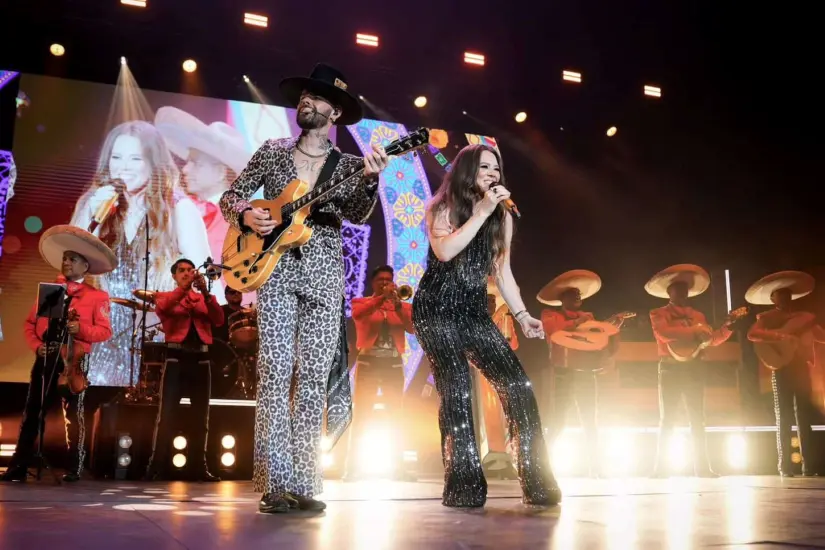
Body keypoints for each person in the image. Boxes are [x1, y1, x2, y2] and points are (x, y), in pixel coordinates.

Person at [219, 63, 389, 513]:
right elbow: (231, 196)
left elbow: (357, 213)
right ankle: (276, 481)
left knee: (313, 379)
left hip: (324, 276)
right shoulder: (273, 151)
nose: (305, 103)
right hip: (273, 271)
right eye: (303, 97)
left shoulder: (349, 166)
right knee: (276, 373)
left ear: (334, 113)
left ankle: (304, 481)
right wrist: (244, 215)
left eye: (315, 99)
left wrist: (372, 178)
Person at [412, 144, 561, 508]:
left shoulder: (502, 217)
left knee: (517, 385)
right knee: (457, 389)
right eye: (484, 168)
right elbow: (446, 251)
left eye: (496, 168)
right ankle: (464, 486)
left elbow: (503, 272)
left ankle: (536, 481)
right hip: (436, 308)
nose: (492, 174)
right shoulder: (442, 207)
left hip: (476, 311)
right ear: (466, 172)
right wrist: (480, 212)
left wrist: (523, 315)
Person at [70, 120, 211, 387]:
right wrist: (94, 215)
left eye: (135, 158)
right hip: (103, 338)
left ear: (153, 163)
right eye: (116, 157)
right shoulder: (95, 202)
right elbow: (72, 266)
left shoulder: (179, 209)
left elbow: (203, 283)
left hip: (156, 339)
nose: (123, 166)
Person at [1, 225, 116, 482]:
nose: (66, 262)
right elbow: (31, 325)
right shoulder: (52, 291)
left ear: (85, 266)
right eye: (65, 258)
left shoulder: (96, 296)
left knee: (74, 414)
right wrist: (36, 346)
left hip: (74, 359)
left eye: (72, 259)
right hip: (47, 356)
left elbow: (105, 331)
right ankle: (18, 466)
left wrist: (81, 328)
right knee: (33, 411)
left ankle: (75, 467)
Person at [155, 107, 254, 303]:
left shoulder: (244, 220)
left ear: (219, 173)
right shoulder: (177, 207)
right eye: (187, 162)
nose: (185, 169)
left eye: (196, 163)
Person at [647, 264, 735, 477]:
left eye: (685, 290)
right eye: (678, 290)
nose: (683, 293)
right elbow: (664, 333)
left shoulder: (698, 315)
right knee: (667, 419)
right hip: (670, 368)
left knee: (697, 418)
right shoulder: (658, 313)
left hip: (694, 368)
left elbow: (710, 339)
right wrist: (695, 331)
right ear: (669, 293)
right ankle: (661, 469)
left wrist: (728, 327)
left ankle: (703, 469)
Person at [539, 270, 627, 477]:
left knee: (590, 420)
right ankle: (542, 467)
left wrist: (611, 326)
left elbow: (597, 338)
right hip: (564, 372)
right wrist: (585, 324)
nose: (578, 297)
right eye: (572, 294)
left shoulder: (588, 317)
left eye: (579, 294)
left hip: (587, 372)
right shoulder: (550, 315)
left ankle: (595, 468)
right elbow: (555, 332)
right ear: (562, 299)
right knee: (558, 421)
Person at [145, 258, 224, 482]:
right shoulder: (166, 297)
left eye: (190, 270)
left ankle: (198, 467)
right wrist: (184, 289)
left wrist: (206, 294)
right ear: (174, 276)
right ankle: (157, 466)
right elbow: (165, 308)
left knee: (201, 417)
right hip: (176, 358)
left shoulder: (203, 299)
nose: (187, 273)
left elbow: (218, 320)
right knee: (167, 415)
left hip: (201, 358)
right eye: (182, 271)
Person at [746, 271, 824, 476]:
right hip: (782, 369)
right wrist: (780, 335)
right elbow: (752, 334)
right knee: (785, 416)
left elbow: (820, 336)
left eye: (787, 295)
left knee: (804, 416)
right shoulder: (767, 317)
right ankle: (785, 466)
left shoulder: (803, 318)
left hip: (801, 368)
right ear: (773, 299)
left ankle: (809, 465)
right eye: (780, 295)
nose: (784, 299)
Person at [346, 265, 415, 480]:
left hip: (392, 365)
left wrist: (398, 305)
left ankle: (399, 468)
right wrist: (380, 298)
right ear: (373, 283)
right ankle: (353, 468)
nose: (385, 283)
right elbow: (358, 314)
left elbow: (412, 328)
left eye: (389, 279)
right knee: (362, 416)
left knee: (396, 415)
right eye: (381, 280)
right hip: (368, 363)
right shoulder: (362, 302)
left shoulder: (398, 306)